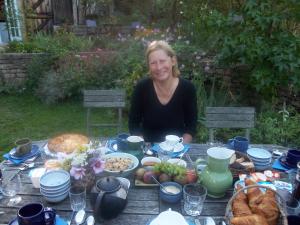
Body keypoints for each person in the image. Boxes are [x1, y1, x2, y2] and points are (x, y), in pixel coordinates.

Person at [129, 40, 198, 143]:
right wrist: (143, 146)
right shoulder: (142, 88)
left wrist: (181, 148)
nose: (159, 67)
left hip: (176, 150)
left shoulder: (187, 88)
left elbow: (191, 125)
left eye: (162, 61)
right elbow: (133, 124)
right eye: (153, 63)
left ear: (173, 61)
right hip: (148, 150)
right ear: (149, 66)